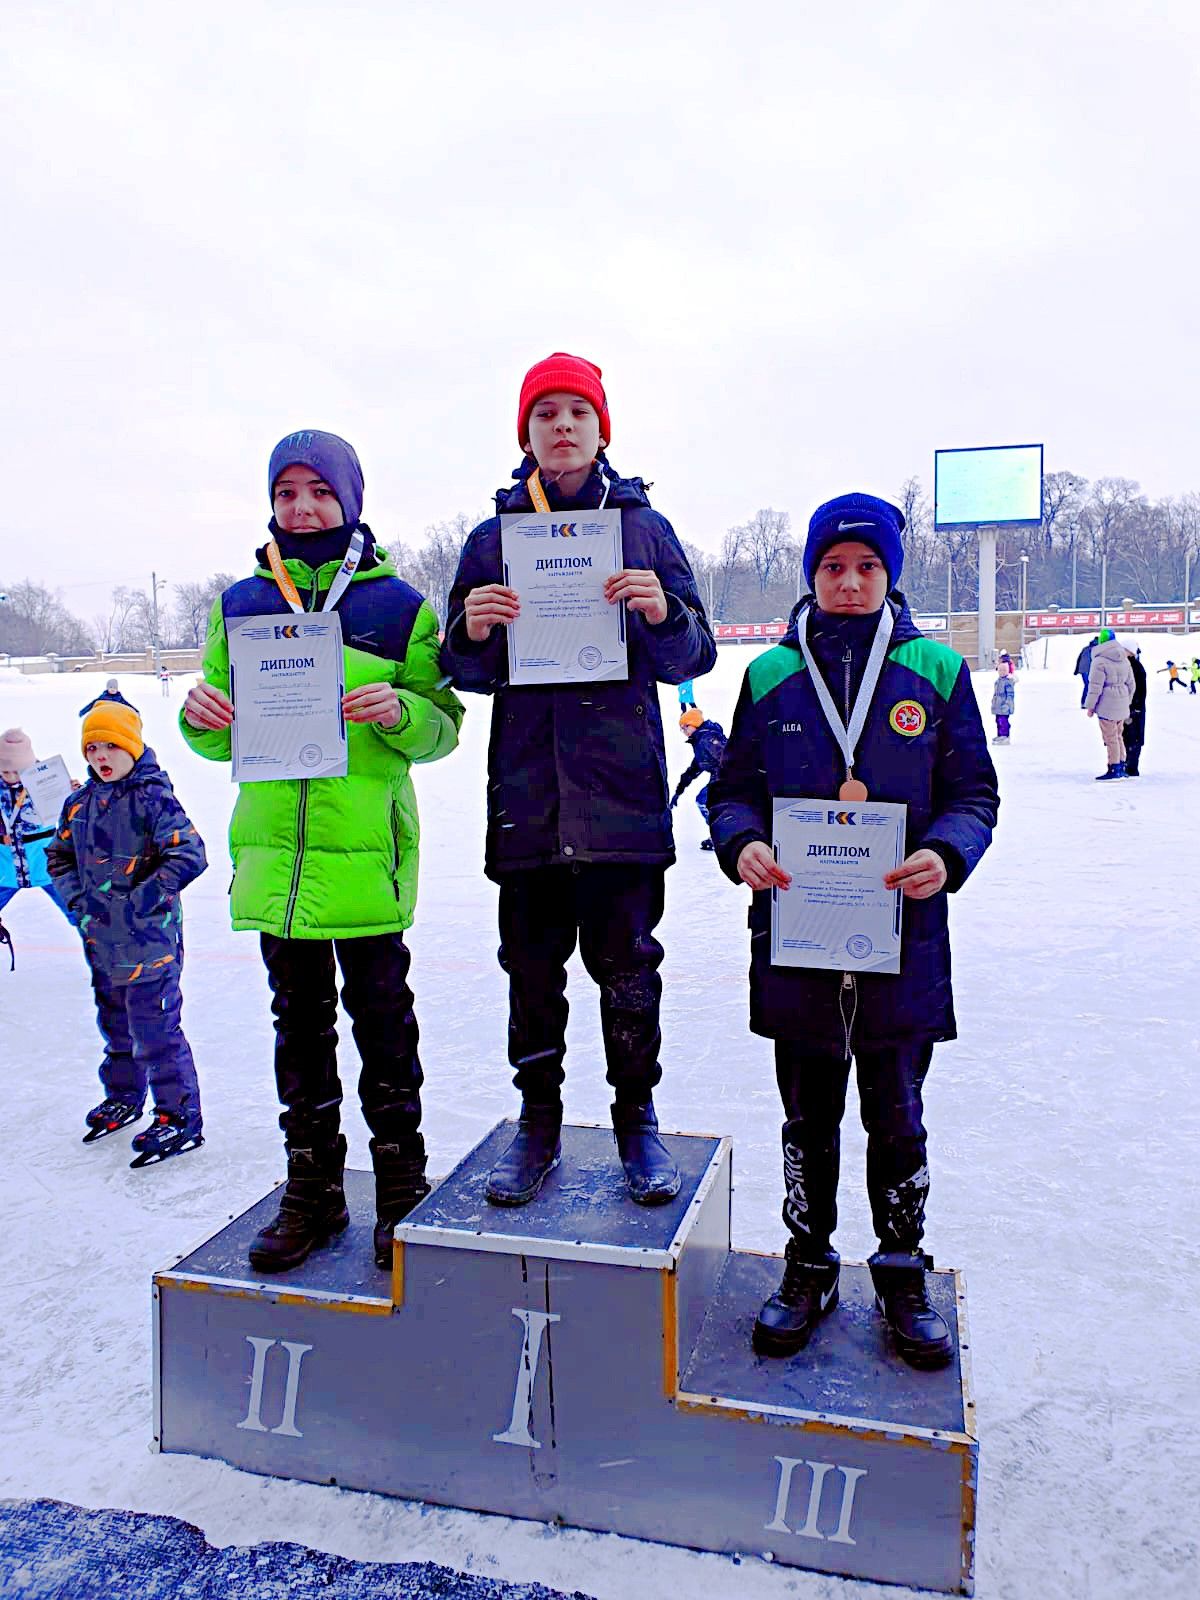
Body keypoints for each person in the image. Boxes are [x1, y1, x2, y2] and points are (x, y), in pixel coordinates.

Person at [707, 492, 998, 1369]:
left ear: (891, 575)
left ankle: (901, 1269)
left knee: (898, 1117)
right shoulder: (766, 677)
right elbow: (732, 790)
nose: (849, 581)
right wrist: (742, 842)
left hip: (901, 946)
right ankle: (809, 1262)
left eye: (867, 566)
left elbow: (974, 795)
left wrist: (946, 854)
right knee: (807, 1120)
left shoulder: (936, 672)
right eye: (832, 566)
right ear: (810, 575)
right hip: (797, 942)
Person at [181, 430, 463, 1272]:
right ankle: (312, 1189)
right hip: (278, 861)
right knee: (297, 1028)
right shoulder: (239, 603)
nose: (302, 507)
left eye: (319, 492)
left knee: (384, 1026)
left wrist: (399, 713)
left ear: (350, 500)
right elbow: (211, 731)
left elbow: (442, 726)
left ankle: (401, 1189)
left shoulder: (399, 606)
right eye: (287, 492)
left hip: (365, 853)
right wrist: (200, 715)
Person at [440, 353, 716, 1208]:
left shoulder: (643, 529)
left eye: (577, 413)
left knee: (629, 969)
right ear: (524, 433)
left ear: (603, 430)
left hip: (621, 799)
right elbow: (462, 668)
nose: (561, 427)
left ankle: (637, 1118)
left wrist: (662, 612)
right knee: (531, 970)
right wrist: (474, 630)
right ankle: (538, 1124)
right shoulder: (492, 540)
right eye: (545, 413)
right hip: (528, 800)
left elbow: (694, 654)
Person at [47, 700, 208, 1163]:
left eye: (112, 746)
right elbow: (58, 858)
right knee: (115, 1027)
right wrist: (79, 902)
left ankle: (178, 1116)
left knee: (155, 1030)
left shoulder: (153, 799)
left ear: (133, 748)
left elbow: (189, 854)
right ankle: (124, 1095)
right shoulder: (78, 803)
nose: (101, 756)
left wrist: (140, 904)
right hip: (101, 942)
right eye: (93, 747)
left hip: (150, 943)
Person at [1, 728, 74, 927]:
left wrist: (74, 794)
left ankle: (103, 949)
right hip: (5, 870)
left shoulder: (47, 781)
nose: (10, 776)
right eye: (4, 771)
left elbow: (73, 815)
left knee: (78, 914)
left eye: (16, 771)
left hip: (46, 866)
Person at [670, 707, 727, 846]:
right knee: (704, 801)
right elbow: (693, 770)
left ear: (693, 724)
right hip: (720, 778)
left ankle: (722, 836)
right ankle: (720, 835)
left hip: (728, 778)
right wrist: (678, 792)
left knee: (704, 801)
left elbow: (728, 758)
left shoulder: (707, 739)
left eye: (684, 727)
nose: (683, 731)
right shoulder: (701, 740)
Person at [1084, 628, 1136, 779]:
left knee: (1110, 738)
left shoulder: (1099, 661)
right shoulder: (1124, 659)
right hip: (1121, 704)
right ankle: (1121, 765)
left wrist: (1091, 706)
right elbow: (1131, 684)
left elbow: (1095, 687)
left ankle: (1113, 768)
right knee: (1119, 736)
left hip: (1107, 705)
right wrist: (1127, 702)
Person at [1124, 647, 1147, 776]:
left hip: (1134, 709)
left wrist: (1136, 707)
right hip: (1133, 707)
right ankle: (1129, 766)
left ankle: (1131, 767)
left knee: (1132, 738)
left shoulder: (1135, 667)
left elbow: (1140, 690)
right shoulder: (1131, 665)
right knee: (1130, 738)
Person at [990, 657, 1015, 743]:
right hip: (998, 706)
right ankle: (1000, 735)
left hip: (1004, 706)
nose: (1001, 672)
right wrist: (993, 701)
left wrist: (1007, 704)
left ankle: (1005, 735)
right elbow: (996, 693)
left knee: (1003, 721)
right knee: (998, 721)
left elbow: (1010, 694)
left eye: (1004, 671)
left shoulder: (1008, 682)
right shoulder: (998, 681)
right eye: (1000, 671)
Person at [1074, 636, 1099, 708]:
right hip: (1089, 669)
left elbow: (1079, 659)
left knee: (1087, 685)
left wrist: (1076, 670)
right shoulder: (1096, 649)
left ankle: (1084, 702)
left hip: (1083, 670)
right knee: (1089, 686)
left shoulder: (1085, 648)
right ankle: (1086, 702)